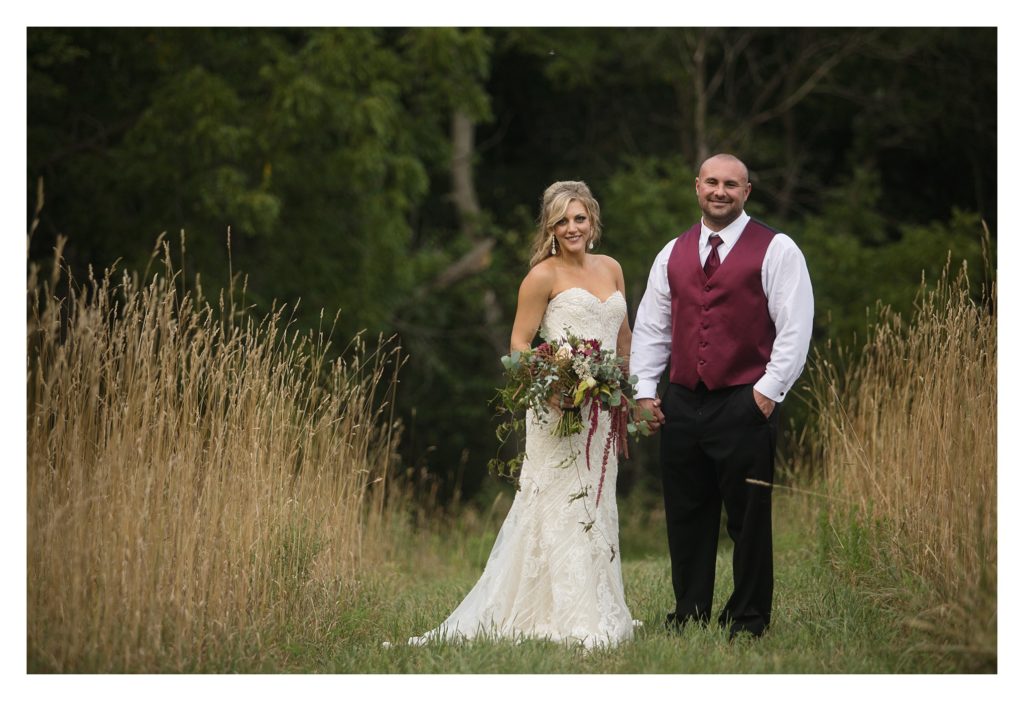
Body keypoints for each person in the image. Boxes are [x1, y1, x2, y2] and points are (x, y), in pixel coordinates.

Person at [407, 180, 636, 649]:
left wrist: (625, 392)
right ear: (550, 228)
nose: (572, 228)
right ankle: (562, 613)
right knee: (557, 506)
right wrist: (555, 384)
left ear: (592, 220)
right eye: (561, 221)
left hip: (600, 416)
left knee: (596, 506)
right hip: (560, 411)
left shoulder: (612, 268)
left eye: (579, 218)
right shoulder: (541, 277)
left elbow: (623, 336)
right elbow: (518, 345)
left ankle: (598, 604)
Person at [630, 154, 813, 639]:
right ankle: (688, 614)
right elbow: (652, 326)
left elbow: (794, 328)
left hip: (744, 400)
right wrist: (645, 391)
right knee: (687, 515)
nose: (720, 191)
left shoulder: (777, 249)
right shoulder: (672, 252)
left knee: (748, 520)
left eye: (731, 184)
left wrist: (766, 393)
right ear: (696, 187)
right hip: (683, 401)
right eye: (712, 182)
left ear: (746, 191)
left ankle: (748, 619)